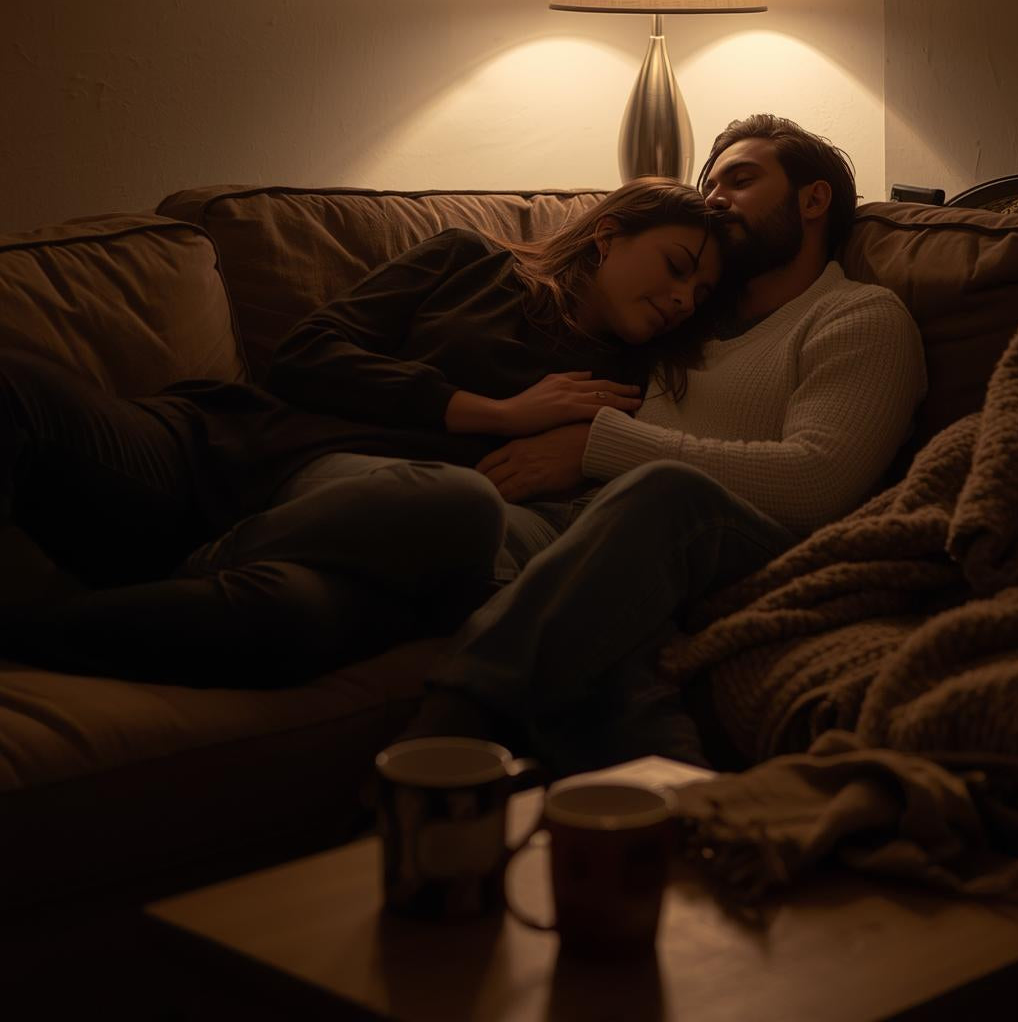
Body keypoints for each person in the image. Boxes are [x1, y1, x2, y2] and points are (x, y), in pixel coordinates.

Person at [0, 178, 723, 687]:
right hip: (224, 449)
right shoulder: (472, 260)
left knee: (432, 522)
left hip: (359, 535)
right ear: (608, 235)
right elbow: (306, 353)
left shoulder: (637, 394)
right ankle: (203, 558)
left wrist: (580, 450)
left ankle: (43, 625)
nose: (684, 298)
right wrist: (494, 412)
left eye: (701, 294)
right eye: (676, 266)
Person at [406, 115, 928, 773]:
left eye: (740, 179)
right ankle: (659, 810)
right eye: (708, 184)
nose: (714, 198)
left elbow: (816, 483)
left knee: (665, 494)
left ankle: (446, 733)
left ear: (813, 199)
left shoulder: (859, 317)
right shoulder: (684, 321)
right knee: (492, 531)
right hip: (627, 535)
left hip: (760, 544)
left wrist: (597, 445)